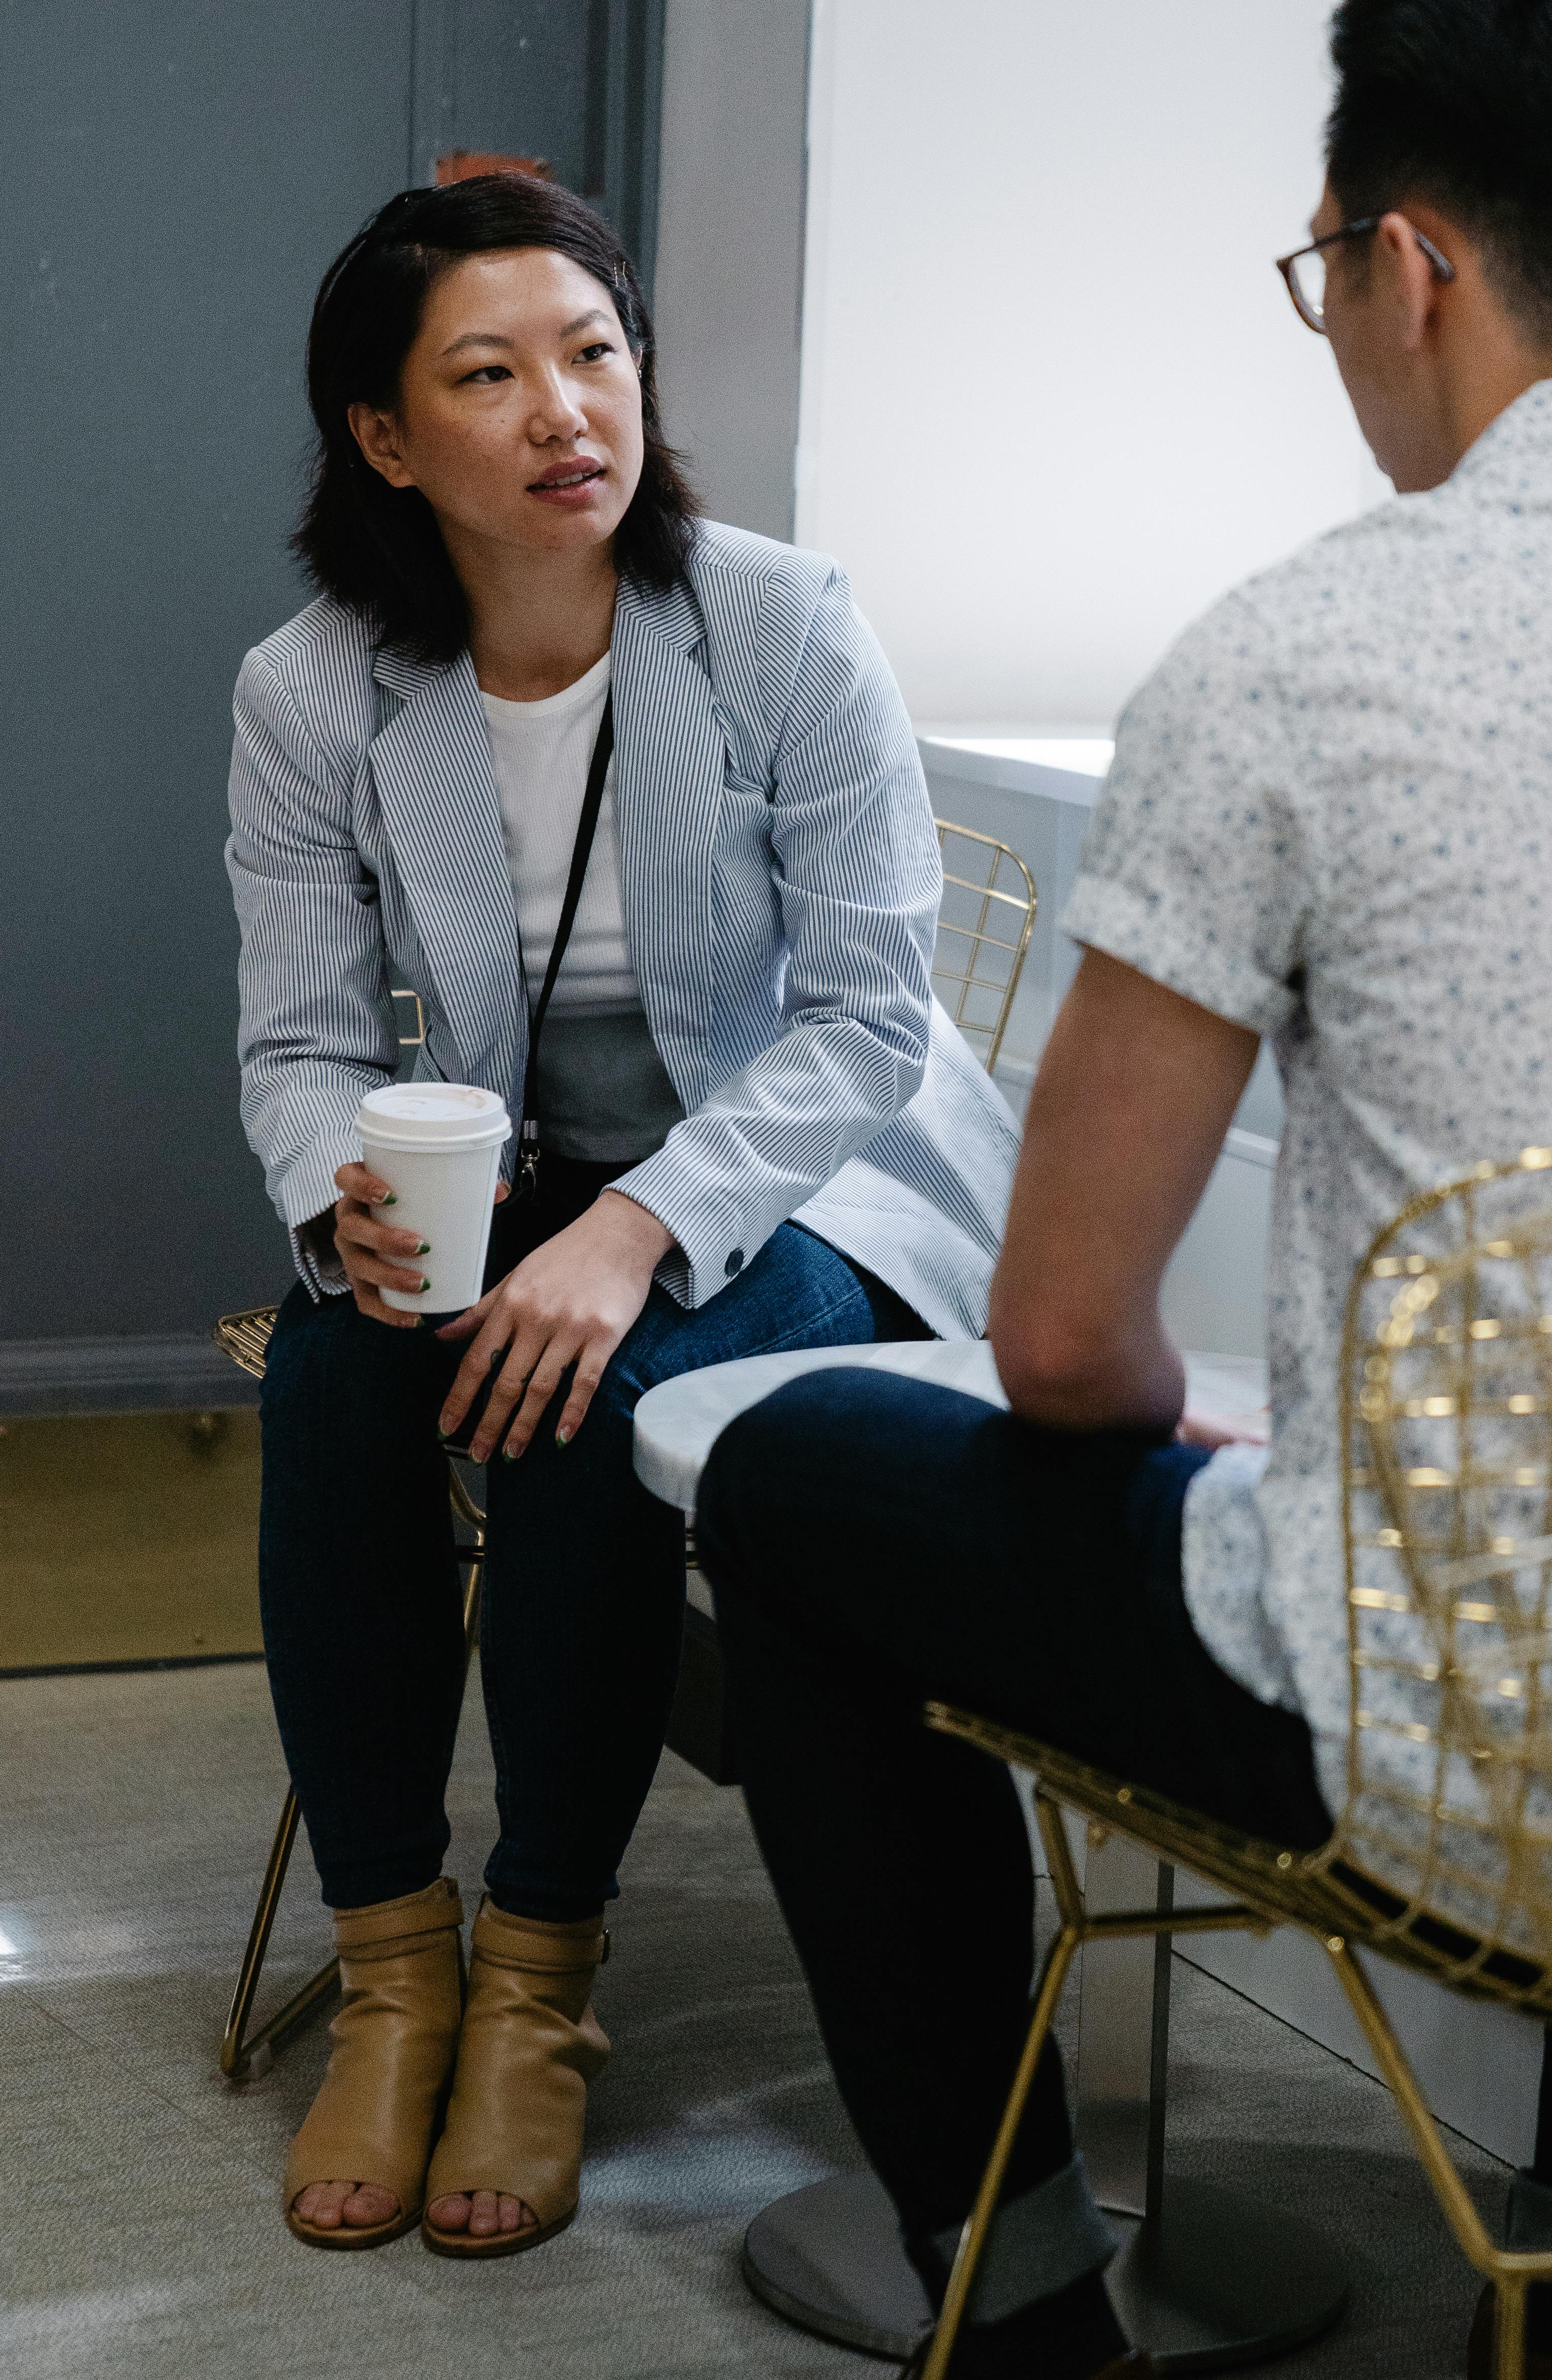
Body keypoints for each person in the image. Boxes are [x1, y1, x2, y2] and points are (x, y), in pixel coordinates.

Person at [692, 0, 1552, 2380]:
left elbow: (1061, 1344)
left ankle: (1031, 2303)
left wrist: (1233, 1441)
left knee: (798, 1480)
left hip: (1474, 1753)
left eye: (1321, 276)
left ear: (1408, 265)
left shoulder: (1300, 657)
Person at [227, 173, 1017, 2258]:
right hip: (516, 1172)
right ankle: (395, 1973)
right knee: (333, 1383)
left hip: (808, 1173)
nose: (567, 408)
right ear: (389, 441)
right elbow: (298, 1041)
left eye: (595, 353)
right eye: (490, 373)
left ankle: (538, 1987)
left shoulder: (779, 621)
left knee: (572, 1395)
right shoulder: (314, 690)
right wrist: (344, 1213)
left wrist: (642, 1230)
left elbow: (865, 1019)